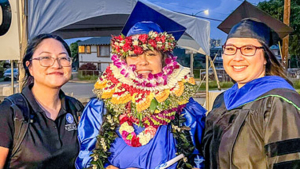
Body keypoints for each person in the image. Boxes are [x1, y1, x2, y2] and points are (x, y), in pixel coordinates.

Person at [76, 2, 206, 169]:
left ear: (164, 59)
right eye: (134, 55)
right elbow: (86, 157)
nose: (143, 62)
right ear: (124, 60)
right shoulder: (100, 107)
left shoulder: (186, 109)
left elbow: (198, 160)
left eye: (151, 54)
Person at [202, 2, 300, 169]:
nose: (237, 57)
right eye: (230, 48)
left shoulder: (279, 103)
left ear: (265, 58)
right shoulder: (222, 101)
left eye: (248, 49)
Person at [0, 34, 84, 169]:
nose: (56, 65)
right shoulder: (10, 112)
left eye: (63, 58)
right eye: (45, 58)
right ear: (30, 67)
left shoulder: (76, 109)